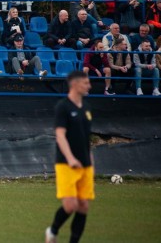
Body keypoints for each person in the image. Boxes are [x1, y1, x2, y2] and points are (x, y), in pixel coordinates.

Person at [44, 71, 94, 243]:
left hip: (85, 164)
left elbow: (86, 137)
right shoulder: (63, 107)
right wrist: (71, 158)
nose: (89, 86)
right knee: (70, 205)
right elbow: (60, 135)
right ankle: (53, 230)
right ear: (75, 84)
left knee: (83, 206)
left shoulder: (87, 108)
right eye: (86, 83)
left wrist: (91, 160)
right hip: (66, 163)